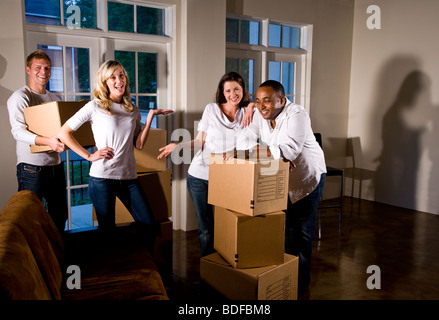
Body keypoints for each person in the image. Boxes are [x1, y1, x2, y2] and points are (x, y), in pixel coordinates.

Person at [57, 60, 173, 249]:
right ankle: (114, 273)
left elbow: (139, 144)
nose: (119, 80)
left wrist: (150, 116)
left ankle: (143, 268)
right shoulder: (95, 106)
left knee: (149, 227)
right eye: (113, 77)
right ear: (105, 82)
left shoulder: (132, 109)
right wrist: (88, 156)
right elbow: (63, 133)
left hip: (129, 178)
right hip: (102, 179)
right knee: (107, 233)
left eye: (121, 75)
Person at [236, 80, 327, 298]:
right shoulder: (260, 114)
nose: (261, 106)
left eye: (266, 101)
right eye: (258, 101)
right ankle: (284, 279)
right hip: (281, 180)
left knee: (302, 235)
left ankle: (300, 286)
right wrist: (272, 153)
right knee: (284, 232)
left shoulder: (297, 115)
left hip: (307, 180)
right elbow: (242, 141)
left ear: (281, 100)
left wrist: (275, 154)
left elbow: (289, 151)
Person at [158, 72, 254, 256]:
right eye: (228, 90)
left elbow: (266, 105)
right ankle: (209, 266)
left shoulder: (247, 113)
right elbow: (199, 142)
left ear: (243, 90)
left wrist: (251, 105)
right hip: (200, 177)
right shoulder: (211, 109)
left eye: (236, 89)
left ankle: (225, 267)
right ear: (222, 92)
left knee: (228, 225)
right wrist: (178, 145)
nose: (232, 94)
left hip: (227, 177)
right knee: (206, 228)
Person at [7, 50, 68, 233]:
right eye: (38, 67)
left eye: (47, 68)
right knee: (30, 218)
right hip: (31, 168)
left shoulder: (54, 99)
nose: (43, 72)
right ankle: (34, 260)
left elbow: (61, 131)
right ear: (28, 69)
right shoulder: (20, 97)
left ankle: (54, 257)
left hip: (55, 166)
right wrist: (48, 141)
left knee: (59, 215)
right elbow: (18, 132)